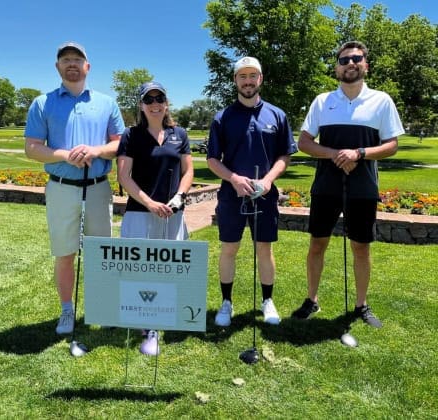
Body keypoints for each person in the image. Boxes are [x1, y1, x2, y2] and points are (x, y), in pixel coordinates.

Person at [291, 41, 404, 328]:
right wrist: (335, 155)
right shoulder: (321, 101)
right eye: (344, 60)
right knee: (317, 244)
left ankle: (361, 305)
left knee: (361, 247)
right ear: (336, 67)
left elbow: (392, 144)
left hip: (363, 187)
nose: (350, 63)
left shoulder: (381, 100)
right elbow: (304, 142)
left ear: (366, 64)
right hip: (325, 186)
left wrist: (360, 153)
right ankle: (312, 299)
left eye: (357, 58)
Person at [24, 42, 125, 334]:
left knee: (100, 251)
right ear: (58, 67)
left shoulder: (107, 102)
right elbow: (32, 148)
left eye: (77, 59)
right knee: (65, 253)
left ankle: (101, 307)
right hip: (61, 187)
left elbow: (119, 144)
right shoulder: (43, 103)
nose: (72, 64)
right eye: (65, 59)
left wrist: (94, 151)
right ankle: (67, 311)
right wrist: (65, 155)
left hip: (97, 187)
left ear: (87, 67)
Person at [207, 57, 298, 327]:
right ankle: (226, 302)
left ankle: (267, 301)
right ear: (235, 80)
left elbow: (284, 155)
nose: (247, 81)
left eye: (252, 76)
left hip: (264, 194)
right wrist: (233, 178)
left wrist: (269, 180)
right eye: (242, 76)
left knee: (264, 249)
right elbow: (213, 159)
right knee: (229, 249)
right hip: (231, 195)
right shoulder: (222, 117)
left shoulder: (277, 115)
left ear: (260, 79)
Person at [117, 81, 193, 354]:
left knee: (167, 267)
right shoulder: (130, 135)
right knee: (140, 268)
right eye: (148, 100)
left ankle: (158, 317)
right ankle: (146, 325)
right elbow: (124, 177)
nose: (155, 103)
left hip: (172, 212)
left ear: (166, 102)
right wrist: (150, 203)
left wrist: (178, 198)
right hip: (140, 212)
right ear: (141, 105)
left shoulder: (179, 134)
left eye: (159, 98)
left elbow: (188, 172)